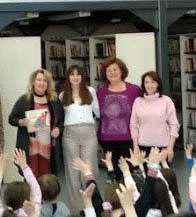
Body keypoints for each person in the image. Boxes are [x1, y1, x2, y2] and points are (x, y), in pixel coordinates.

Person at [8, 69, 64, 178]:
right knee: (30, 179)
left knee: (46, 180)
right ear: (33, 82)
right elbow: (11, 119)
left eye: (45, 80)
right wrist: (21, 122)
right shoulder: (24, 100)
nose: (42, 83)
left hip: (48, 148)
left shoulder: (55, 100)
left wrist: (58, 129)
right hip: (30, 148)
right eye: (39, 80)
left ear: (48, 84)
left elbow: (61, 121)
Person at [60, 65, 100, 208]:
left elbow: (98, 112)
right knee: (73, 172)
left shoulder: (90, 91)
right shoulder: (63, 95)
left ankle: (92, 207)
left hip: (88, 133)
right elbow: (60, 116)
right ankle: (76, 209)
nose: (75, 77)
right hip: (70, 135)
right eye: (72, 74)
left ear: (83, 76)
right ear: (68, 77)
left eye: (78, 74)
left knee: (89, 169)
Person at [96, 57, 142, 175]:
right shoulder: (100, 92)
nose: (112, 73)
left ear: (121, 71)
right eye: (109, 70)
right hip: (107, 140)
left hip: (128, 139)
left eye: (115, 69)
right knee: (114, 173)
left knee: (130, 173)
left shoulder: (134, 90)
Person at [129, 71, 179, 162]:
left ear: (158, 84)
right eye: (146, 82)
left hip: (162, 147)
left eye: (153, 82)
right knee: (145, 171)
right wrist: (135, 146)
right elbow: (133, 125)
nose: (149, 85)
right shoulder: (138, 101)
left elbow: (174, 124)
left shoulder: (166, 101)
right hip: (143, 147)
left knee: (162, 171)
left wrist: (170, 147)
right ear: (143, 84)